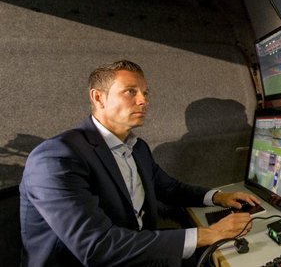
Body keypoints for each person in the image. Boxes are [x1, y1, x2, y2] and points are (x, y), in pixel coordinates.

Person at [19, 60, 260, 266]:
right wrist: (207, 234)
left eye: (146, 93)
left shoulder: (137, 147)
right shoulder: (56, 157)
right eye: (130, 91)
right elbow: (97, 248)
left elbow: (170, 188)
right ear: (98, 97)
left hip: (134, 247)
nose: (143, 100)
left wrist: (218, 197)